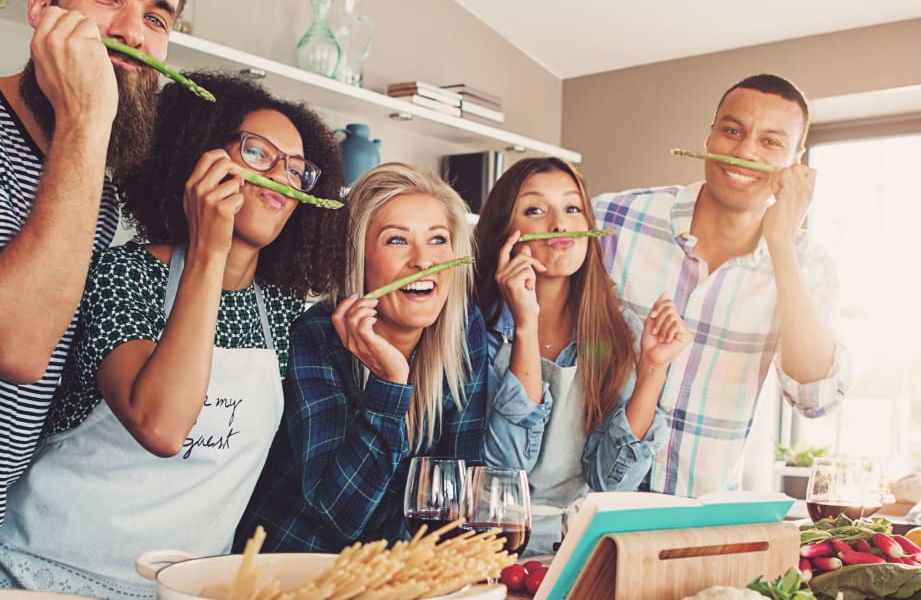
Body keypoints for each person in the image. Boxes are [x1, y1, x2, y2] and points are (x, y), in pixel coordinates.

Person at [0, 72, 346, 598]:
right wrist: (209, 249)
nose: (283, 176)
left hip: (185, 589)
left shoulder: (285, 315)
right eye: (258, 152)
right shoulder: (123, 275)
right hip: (45, 577)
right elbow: (159, 425)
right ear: (198, 156)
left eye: (298, 169)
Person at [0, 0, 198, 524]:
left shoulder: (94, 184)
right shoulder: (82, 146)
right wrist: (87, 117)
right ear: (42, 9)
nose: (132, 32)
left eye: (157, 19)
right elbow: (19, 345)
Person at [592, 73, 851, 498]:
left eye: (770, 142)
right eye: (733, 131)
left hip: (699, 525)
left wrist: (781, 245)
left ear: (794, 161)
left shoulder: (811, 265)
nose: (745, 151)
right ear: (710, 136)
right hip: (589, 510)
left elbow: (815, 396)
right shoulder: (613, 219)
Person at [236, 163, 488, 553]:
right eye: (396, 241)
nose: (424, 261)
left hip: (387, 575)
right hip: (288, 569)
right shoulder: (316, 337)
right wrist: (389, 385)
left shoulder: (464, 328)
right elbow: (339, 516)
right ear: (357, 259)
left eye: (438, 240)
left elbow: (457, 492)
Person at [474, 157, 693, 555]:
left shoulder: (616, 330)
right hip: (487, 553)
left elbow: (613, 484)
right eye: (535, 210)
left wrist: (653, 371)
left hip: (581, 549)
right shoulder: (475, 330)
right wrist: (525, 324)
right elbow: (506, 471)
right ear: (503, 231)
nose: (560, 225)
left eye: (572, 208)